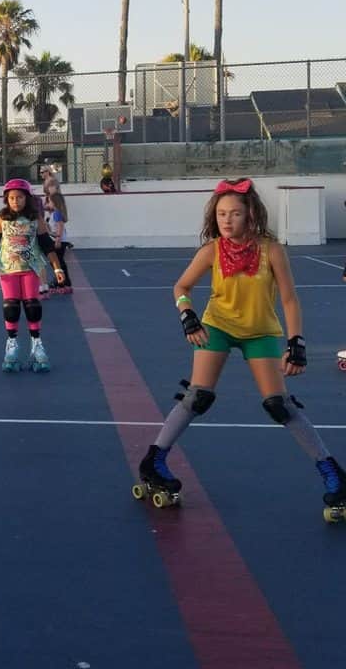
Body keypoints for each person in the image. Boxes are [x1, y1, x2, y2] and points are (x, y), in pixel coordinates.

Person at [136, 178, 346, 516]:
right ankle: (154, 461)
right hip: (217, 326)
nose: (227, 220)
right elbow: (181, 286)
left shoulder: (272, 250)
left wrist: (297, 341)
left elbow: (290, 299)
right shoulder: (211, 251)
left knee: (279, 405)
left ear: (251, 214)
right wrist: (187, 315)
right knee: (197, 396)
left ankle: (333, 474)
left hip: (260, 331)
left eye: (235, 213)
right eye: (221, 214)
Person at [0, 178, 65, 373]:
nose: (16, 201)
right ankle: (12, 345)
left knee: (32, 305)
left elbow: (46, 244)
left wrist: (57, 268)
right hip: (8, 269)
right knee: (11, 306)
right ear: (6, 200)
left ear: (27, 198)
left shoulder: (35, 219)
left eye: (20, 197)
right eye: (12, 198)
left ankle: (36, 344)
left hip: (30, 268)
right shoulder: (2, 218)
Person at [45, 190, 73, 295]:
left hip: (59, 240)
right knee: (58, 262)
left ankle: (62, 282)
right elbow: (54, 229)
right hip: (58, 238)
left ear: (55, 203)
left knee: (57, 262)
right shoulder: (54, 214)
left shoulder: (56, 213)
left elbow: (60, 227)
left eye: (50, 202)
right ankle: (64, 282)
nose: (48, 204)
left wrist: (58, 240)